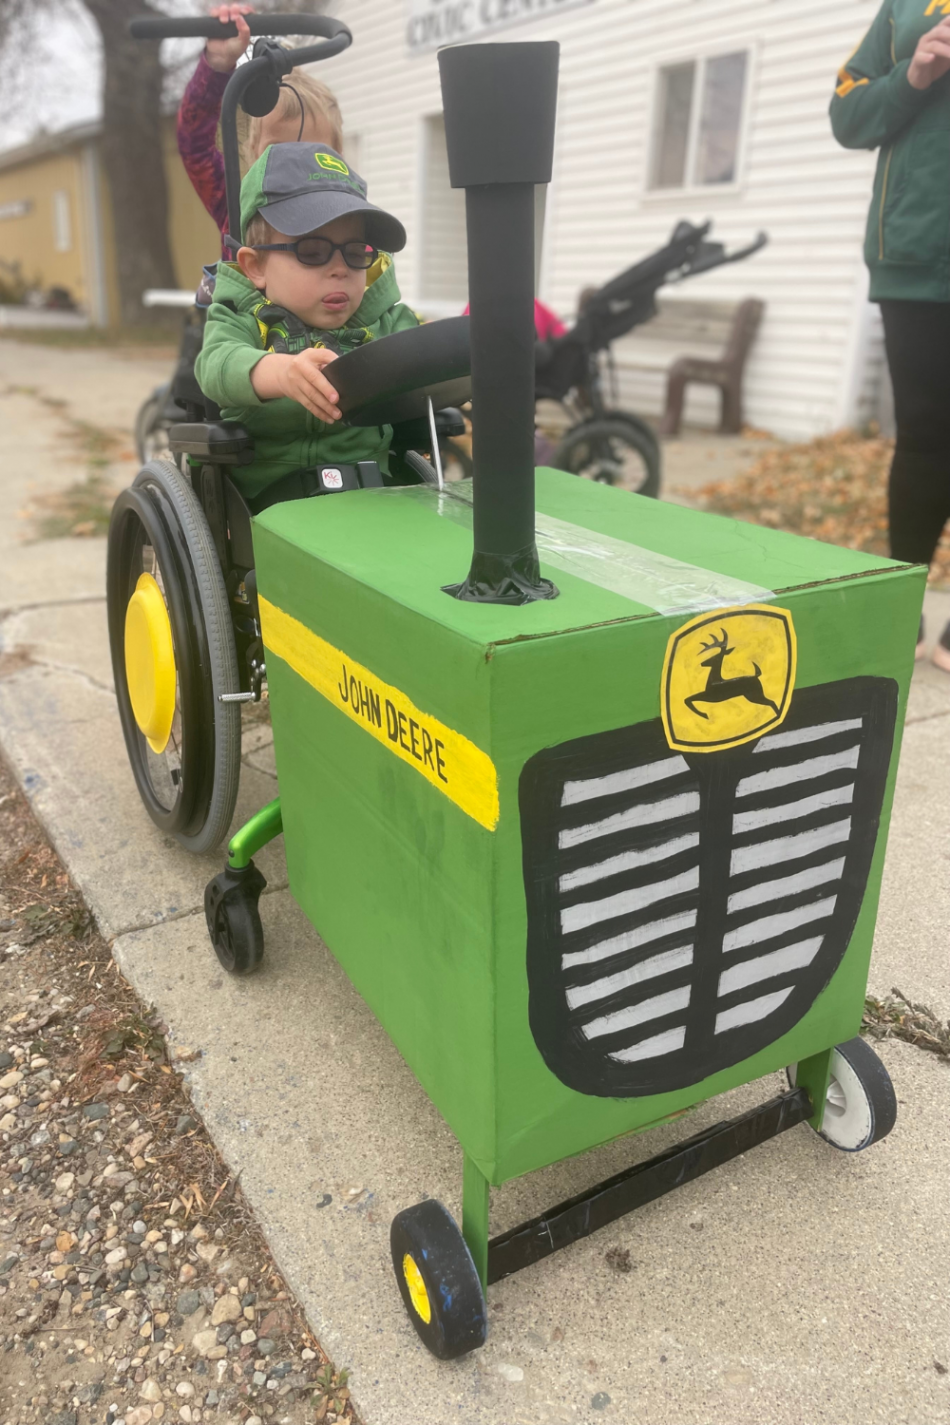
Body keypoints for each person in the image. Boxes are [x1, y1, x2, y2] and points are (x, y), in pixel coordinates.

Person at [194, 143, 419, 507]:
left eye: (355, 252)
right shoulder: (240, 315)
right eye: (312, 252)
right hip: (263, 502)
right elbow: (217, 364)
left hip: (372, 493)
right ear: (255, 267)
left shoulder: (386, 321)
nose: (340, 269)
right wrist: (280, 373)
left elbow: (426, 360)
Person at [831, 5, 950, 672]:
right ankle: (903, 613)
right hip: (915, 254)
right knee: (925, 433)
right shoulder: (907, 9)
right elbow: (847, 115)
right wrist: (917, 71)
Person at [177, 3, 344, 260]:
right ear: (254, 152)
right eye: (278, 152)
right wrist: (218, 64)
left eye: (310, 154)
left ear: (336, 157)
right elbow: (195, 145)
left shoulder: (350, 223)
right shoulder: (237, 210)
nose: (294, 167)